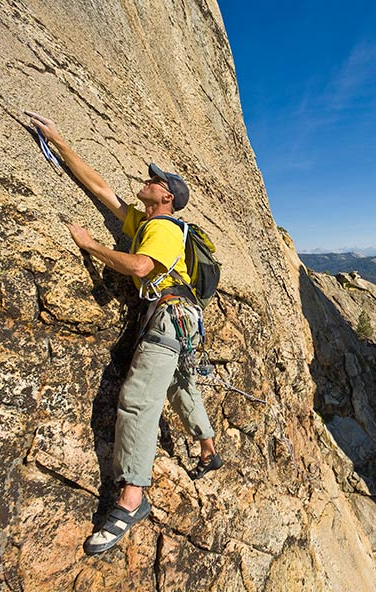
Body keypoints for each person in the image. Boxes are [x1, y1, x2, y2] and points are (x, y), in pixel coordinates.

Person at [25, 111, 223, 555]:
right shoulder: (145, 220)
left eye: (154, 180)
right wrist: (58, 141)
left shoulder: (163, 228)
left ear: (166, 196)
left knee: (137, 400)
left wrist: (91, 245)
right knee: (180, 387)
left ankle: (132, 498)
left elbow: (139, 266)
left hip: (168, 318)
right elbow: (101, 189)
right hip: (183, 321)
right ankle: (209, 450)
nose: (146, 180)